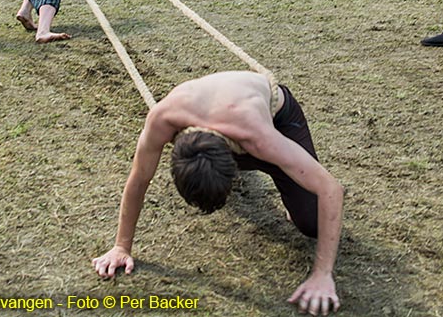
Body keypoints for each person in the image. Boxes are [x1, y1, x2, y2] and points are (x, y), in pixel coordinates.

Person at [91, 70, 343, 316]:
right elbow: (138, 180)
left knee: (312, 223)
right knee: (211, 179)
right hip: (225, 120)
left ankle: (286, 182)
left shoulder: (259, 138)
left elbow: (331, 189)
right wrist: (121, 247)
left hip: (275, 119)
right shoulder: (162, 119)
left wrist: (322, 274)